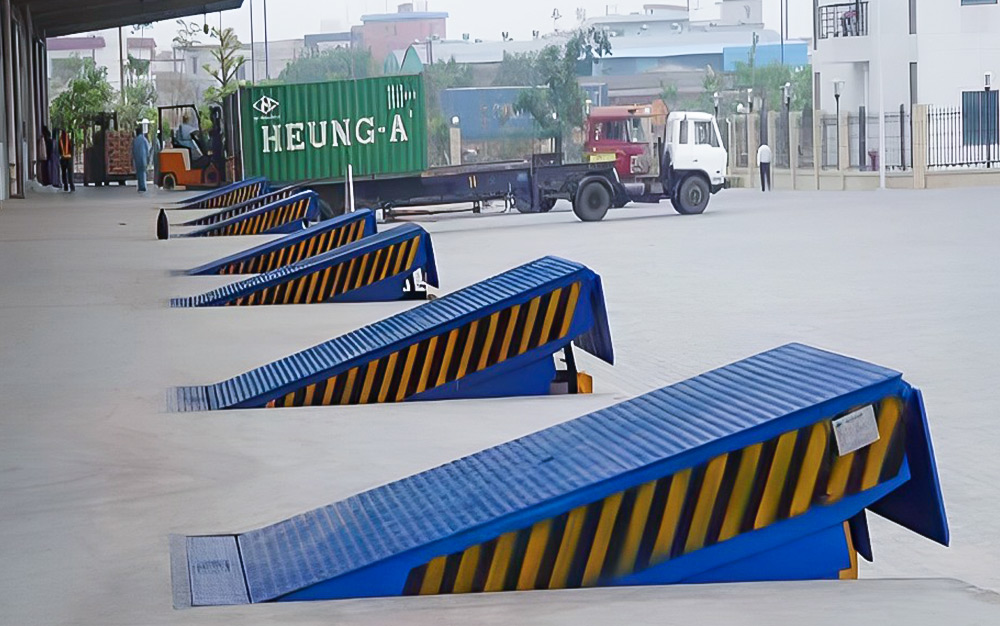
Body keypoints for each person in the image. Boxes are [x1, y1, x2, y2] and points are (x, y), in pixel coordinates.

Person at [132, 127, 151, 194]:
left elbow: (133, 150)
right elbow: (147, 149)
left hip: (137, 158)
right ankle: (143, 186)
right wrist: (148, 158)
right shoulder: (144, 139)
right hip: (143, 158)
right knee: (143, 172)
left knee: (139, 172)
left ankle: (140, 186)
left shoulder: (135, 140)